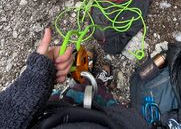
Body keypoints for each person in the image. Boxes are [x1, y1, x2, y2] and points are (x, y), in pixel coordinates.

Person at [0, 28, 149, 128]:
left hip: (49, 111)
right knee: (100, 96)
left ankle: (85, 75)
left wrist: (36, 80)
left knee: (74, 91)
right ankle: (98, 83)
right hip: (107, 119)